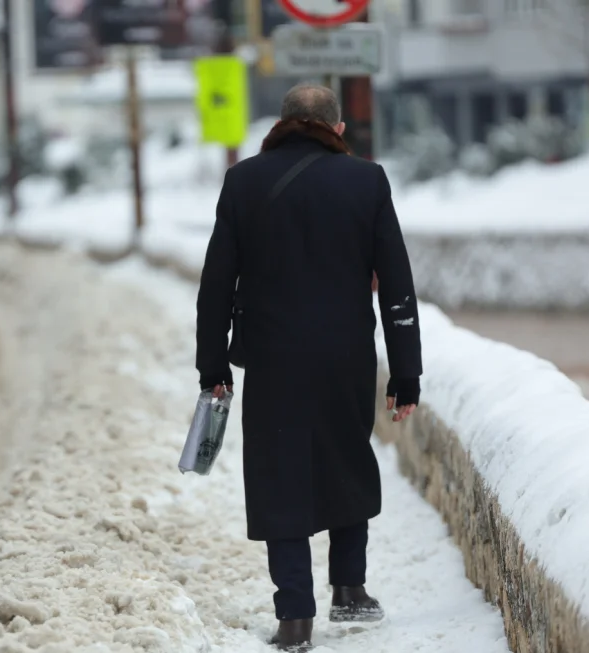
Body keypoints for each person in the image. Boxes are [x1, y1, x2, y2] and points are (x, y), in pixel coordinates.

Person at [194, 84, 422, 651]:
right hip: (346, 353)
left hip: (272, 357)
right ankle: (349, 589)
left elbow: (216, 284)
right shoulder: (366, 180)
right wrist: (406, 372)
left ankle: (295, 616)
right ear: (337, 129)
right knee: (346, 457)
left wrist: (212, 365)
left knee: (280, 471)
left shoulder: (243, 181)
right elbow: (397, 285)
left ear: (283, 123)